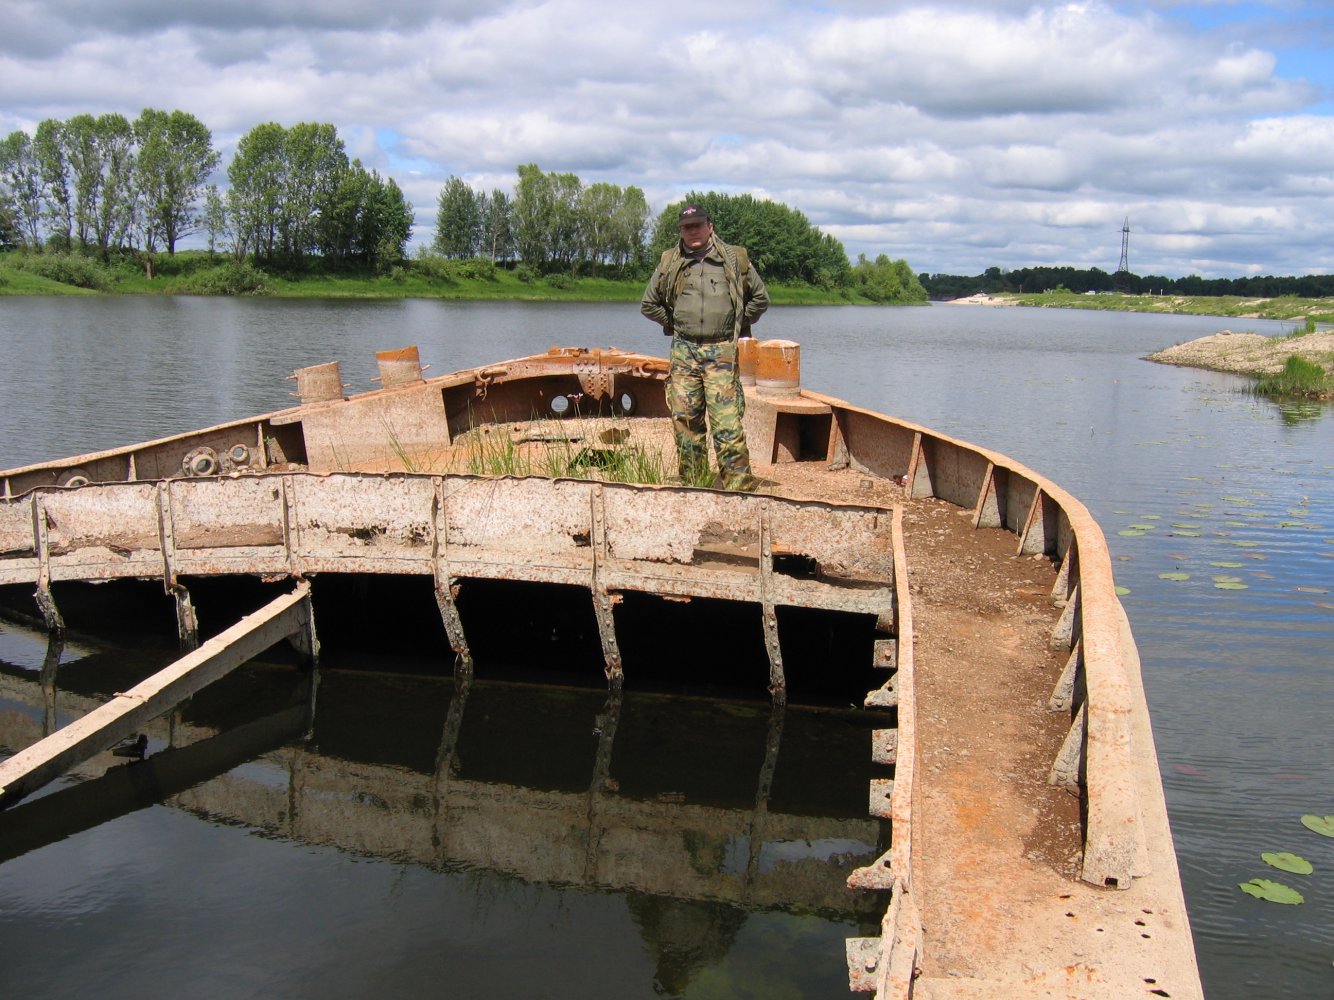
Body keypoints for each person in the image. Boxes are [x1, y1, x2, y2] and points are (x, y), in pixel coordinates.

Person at [640, 204, 770, 490]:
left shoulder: (734, 260)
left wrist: (733, 322)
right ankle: (695, 486)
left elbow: (760, 299)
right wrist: (674, 324)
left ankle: (739, 490)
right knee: (686, 423)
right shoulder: (670, 262)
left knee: (727, 425)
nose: (693, 231)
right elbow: (648, 304)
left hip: (720, 350)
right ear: (681, 231)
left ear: (710, 226)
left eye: (698, 225)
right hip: (684, 351)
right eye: (687, 227)